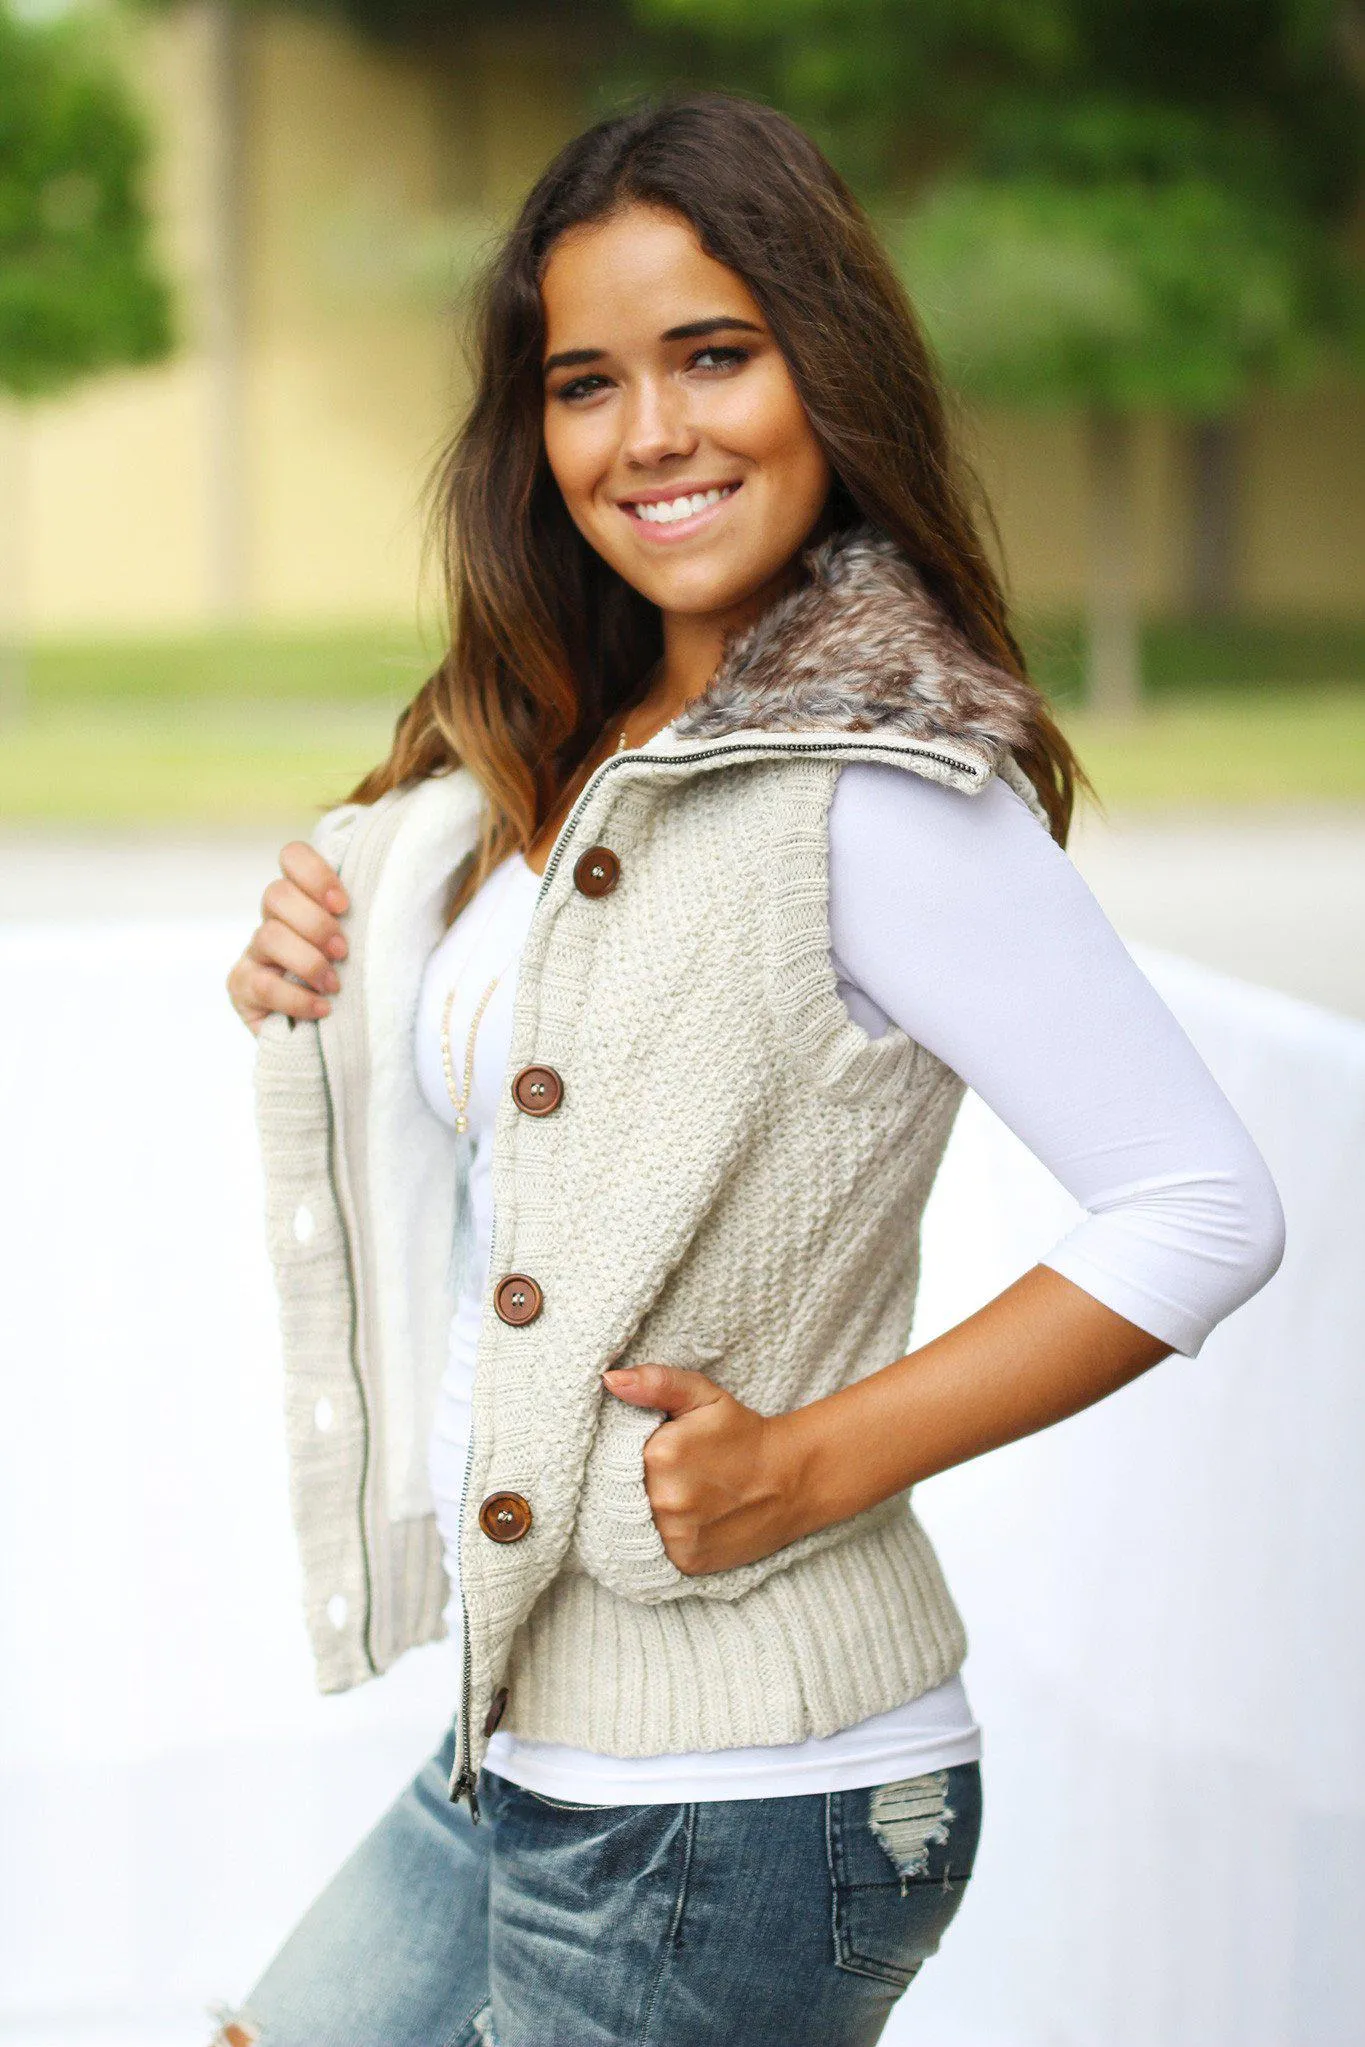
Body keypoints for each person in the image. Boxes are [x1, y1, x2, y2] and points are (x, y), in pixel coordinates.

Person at [219, 91, 1285, 2047]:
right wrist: (328, 961)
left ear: (830, 367)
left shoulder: (881, 784)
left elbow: (1202, 1205)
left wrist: (806, 1462)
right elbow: (531, 1072)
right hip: (520, 1736)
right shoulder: (568, 740)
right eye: (584, 382)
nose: (649, 436)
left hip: (744, 1804)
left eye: (714, 355)